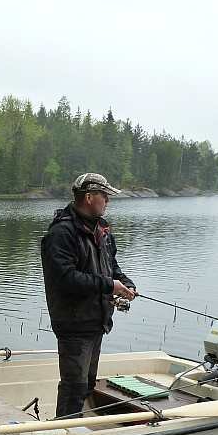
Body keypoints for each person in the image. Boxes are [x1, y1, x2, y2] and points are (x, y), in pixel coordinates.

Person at [40, 173, 136, 419]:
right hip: (73, 324)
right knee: (74, 387)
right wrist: (109, 285)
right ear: (89, 197)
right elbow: (65, 280)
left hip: (96, 321)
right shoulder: (61, 234)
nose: (108, 201)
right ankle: (61, 434)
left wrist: (124, 283)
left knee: (87, 384)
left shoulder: (102, 230)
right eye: (105, 196)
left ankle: (72, 429)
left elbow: (111, 266)